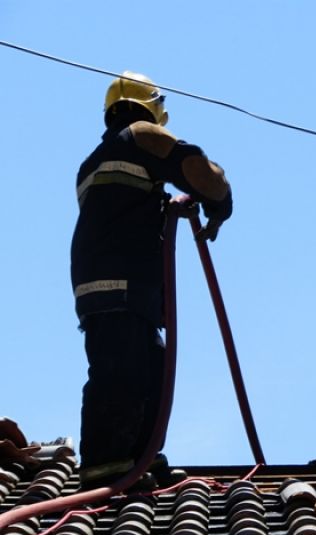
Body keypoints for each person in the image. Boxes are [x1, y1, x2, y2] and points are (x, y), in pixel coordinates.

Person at [71, 71, 233, 489]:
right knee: (122, 370)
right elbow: (197, 170)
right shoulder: (141, 134)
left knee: (151, 368)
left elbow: (130, 208)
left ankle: (138, 457)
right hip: (119, 281)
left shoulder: (93, 162)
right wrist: (221, 202)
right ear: (152, 109)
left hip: (111, 280)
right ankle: (106, 468)